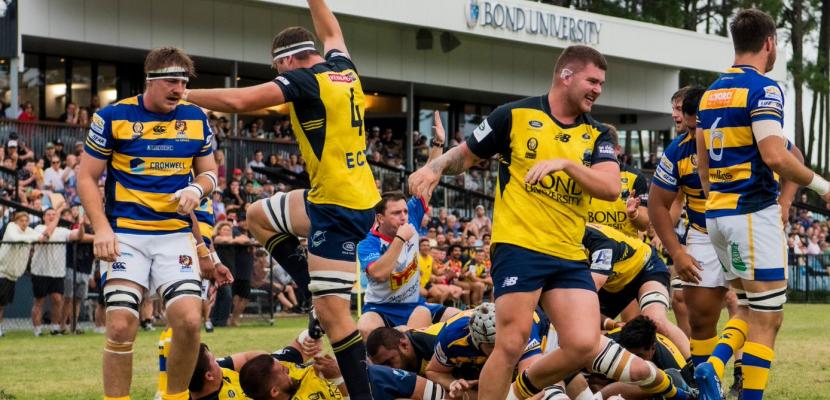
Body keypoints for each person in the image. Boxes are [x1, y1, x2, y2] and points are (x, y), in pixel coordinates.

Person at [409, 45, 690, 400]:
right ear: (566, 75)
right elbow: (465, 155)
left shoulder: (597, 134)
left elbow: (608, 187)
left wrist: (566, 165)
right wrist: (434, 167)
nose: (598, 90)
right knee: (510, 343)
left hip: (569, 252)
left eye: (601, 84)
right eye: (592, 81)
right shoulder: (514, 115)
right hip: (519, 247)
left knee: (583, 343)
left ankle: (517, 394)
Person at [182, 1, 379, 396]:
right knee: (257, 215)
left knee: (336, 319)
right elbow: (332, 32)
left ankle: (363, 394)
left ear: (287, 61)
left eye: (277, 69)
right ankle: (308, 288)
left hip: (336, 208)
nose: (278, 76)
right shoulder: (343, 69)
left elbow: (240, 101)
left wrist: (183, 94)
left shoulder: (304, 80)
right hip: (347, 195)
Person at [78, 47, 219, 400]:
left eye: (184, 82)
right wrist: (102, 228)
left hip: (175, 235)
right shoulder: (112, 116)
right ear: (150, 80)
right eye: (171, 81)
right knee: (120, 324)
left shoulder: (196, 118)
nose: (179, 89)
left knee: (190, 321)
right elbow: (86, 177)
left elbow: (210, 172)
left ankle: (174, 397)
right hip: (126, 234)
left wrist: (197, 189)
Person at [693, 9, 820, 400]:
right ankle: (732, 382)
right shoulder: (763, 89)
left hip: (719, 214)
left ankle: (713, 365)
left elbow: (702, 165)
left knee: (748, 308)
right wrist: (822, 186)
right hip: (751, 215)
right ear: (769, 43)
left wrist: (721, 201)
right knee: (769, 319)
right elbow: (775, 156)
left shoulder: (711, 93)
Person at [356, 191, 459, 338]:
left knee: (463, 319)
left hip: (414, 304)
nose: (403, 217)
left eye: (405, 211)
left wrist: (426, 176)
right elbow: (379, 274)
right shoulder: (368, 242)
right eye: (396, 213)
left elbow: (427, 187)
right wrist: (400, 239)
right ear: (380, 218)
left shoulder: (411, 220)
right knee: (365, 328)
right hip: (380, 307)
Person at [582, 223, 690, 359]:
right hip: (611, 282)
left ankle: (693, 367)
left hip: (644, 268)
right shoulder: (562, 242)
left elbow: (584, 296)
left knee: (656, 321)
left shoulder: (598, 242)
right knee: (581, 331)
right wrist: (610, 324)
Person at [157, 328, 344, 400]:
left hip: (285, 375)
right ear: (209, 375)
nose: (218, 361)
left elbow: (249, 358)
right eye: (213, 360)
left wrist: (270, 365)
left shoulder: (213, 374)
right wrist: (337, 378)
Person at [586, 124, 650, 238]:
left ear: (618, 149)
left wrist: (634, 214)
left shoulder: (636, 177)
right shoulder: (584, 173)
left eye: (607, 149)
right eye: (597, 149)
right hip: (590, 244)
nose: (602, 154)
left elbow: (644, 225)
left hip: (625, 246)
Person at [30, 205, 84, 336]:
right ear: (43, 217)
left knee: (58, 300)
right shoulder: (38, 228)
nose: (51, 217)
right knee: (39, 301)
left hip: (57, 272)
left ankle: (55, 328)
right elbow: (46, 236)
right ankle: (37, 330)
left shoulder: (62, 231)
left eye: (54, 215)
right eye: (49, 214)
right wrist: (58, 215)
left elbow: (78, 236)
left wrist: (81, 225)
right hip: (40, 271)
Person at [0, 211, 42, 337]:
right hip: (2, 272)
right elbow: (15, 238)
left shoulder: (28, 230)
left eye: (26, 221)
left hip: (12, 275)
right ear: (16, 221)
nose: (24, 223)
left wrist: (37, 237)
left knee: (2, 304)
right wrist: (35, 238)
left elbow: (41, 236)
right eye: (21, 221)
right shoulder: (11, 227)